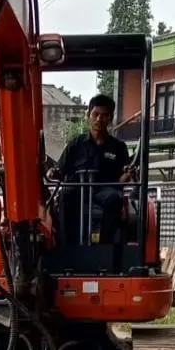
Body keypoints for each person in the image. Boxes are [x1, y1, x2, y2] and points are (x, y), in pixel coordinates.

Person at [50, 94, 134, 244]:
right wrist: (53, 173)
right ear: (88, 115)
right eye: (95, 114)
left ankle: (105, 246)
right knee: (64, 196)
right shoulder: (75, 144)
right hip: (79, 189)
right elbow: (60, 172)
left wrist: (127, 175)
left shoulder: (119, 147)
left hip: (105, 190)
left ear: (111, 117)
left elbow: (122, 178)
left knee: (115, 199)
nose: (99, 120)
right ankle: (66, 246)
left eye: (104, 115)